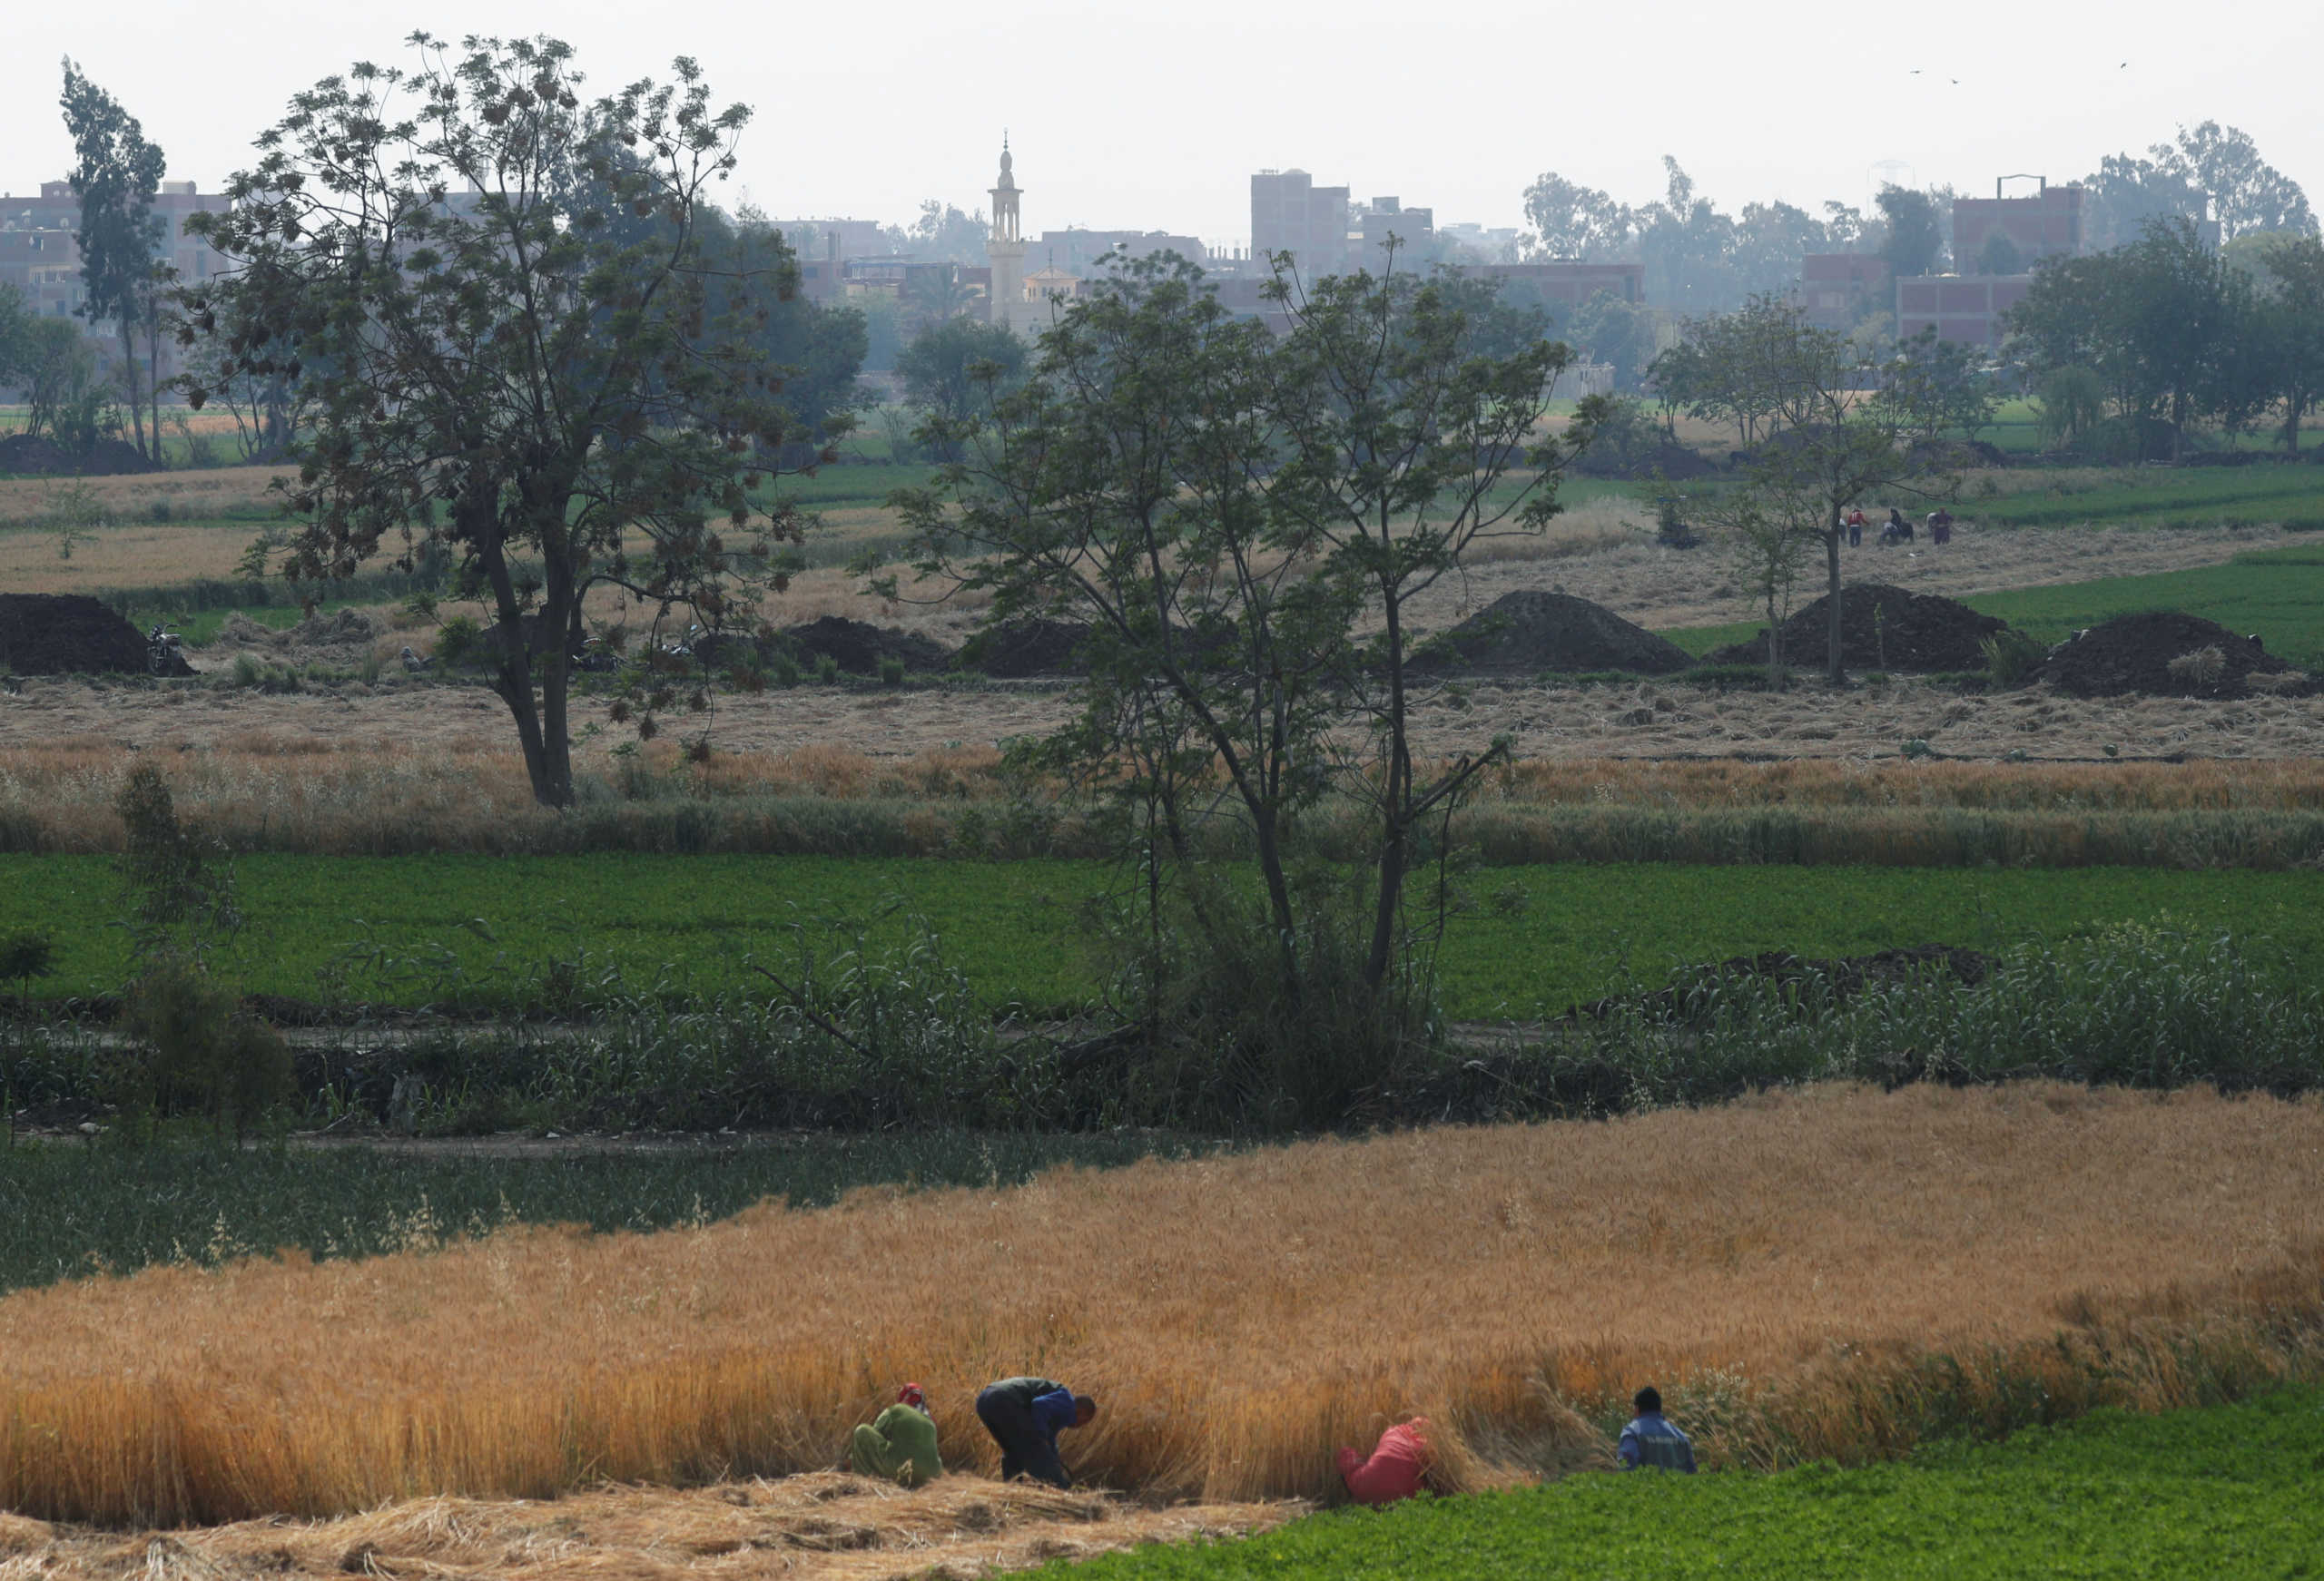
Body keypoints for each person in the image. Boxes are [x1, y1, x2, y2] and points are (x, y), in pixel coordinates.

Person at [975, 1376, 1096, 1489]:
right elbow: (1039, 1405)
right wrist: (1041, 1439)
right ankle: (1060, 1493)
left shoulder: (1058, 1413)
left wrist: (1053, 1458)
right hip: (1005, 1399)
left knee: (1013, 1452)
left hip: (985, 1400)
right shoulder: (1067, 1402)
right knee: (1036, 1450)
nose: (1081, 1426)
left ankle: (1012, 1492)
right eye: (1085, 1421)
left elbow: (1049, 1441)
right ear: (1081, 1411)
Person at [851, 1381, 943, 1488]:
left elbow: (875, 1435)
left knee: (862, 1431)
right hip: (932, 1474)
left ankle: (861, 1482)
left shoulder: (897, 1409)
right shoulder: (931, 1421)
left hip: (902, 1469)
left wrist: (851, 1458)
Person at [1337, 1416, 1433, 1507]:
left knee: (1346, 1456)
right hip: (1408, 1493)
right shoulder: (1426, 1445)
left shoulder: (1392, 1431)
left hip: (1367, 1486)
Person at [1617, 1387, 1697, 1473]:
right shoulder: (1680, 1435)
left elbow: (1627, 1468)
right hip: (1678, 1485)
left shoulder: (1632, 1432)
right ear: (1659, 1408)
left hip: (1644, 1486)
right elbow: (1692, 1471)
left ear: (1637, 1408)